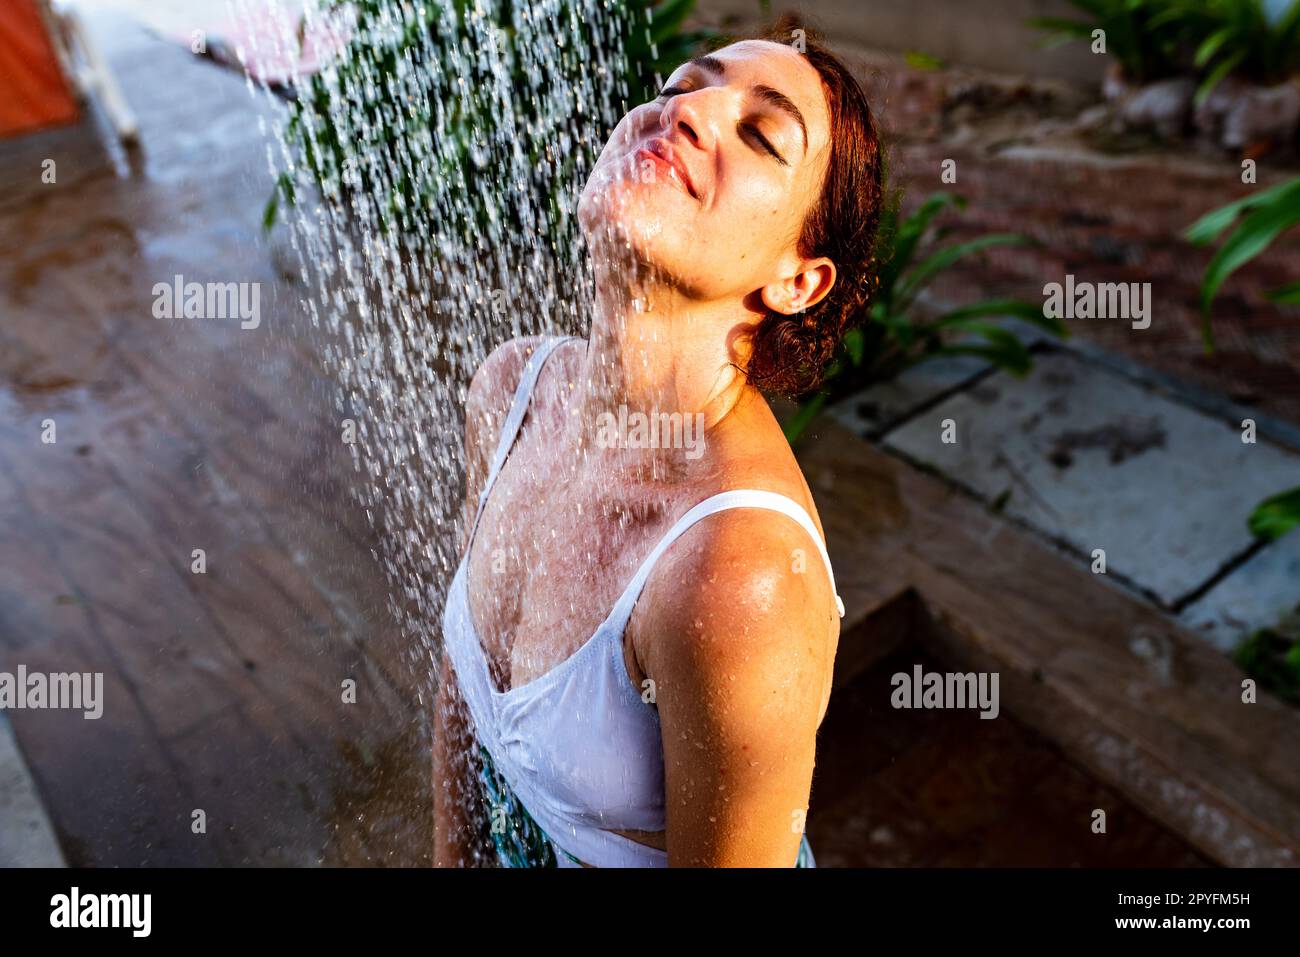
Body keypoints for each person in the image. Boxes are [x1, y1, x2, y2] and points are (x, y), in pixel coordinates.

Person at [433, 19, 884, 867]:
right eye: (679, 86)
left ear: (797, 279)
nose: (685, 112)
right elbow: (462, 693)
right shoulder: (513, 394)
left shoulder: (737, 577)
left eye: (760, 134)